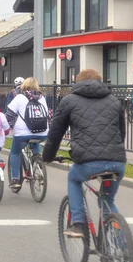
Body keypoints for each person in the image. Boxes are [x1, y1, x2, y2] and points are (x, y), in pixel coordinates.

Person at [43, 69, 126, 238]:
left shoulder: (69, 101)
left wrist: (48, 157)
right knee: (107, 200)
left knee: (73, 178)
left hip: (88, 163)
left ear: (77, 83)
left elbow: (55, 133)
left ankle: (78, 224)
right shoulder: (114, 101)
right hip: (117, 163)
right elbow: (121, 133)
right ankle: (121, 249)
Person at [5, 77, 49, 190]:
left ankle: (15, 179)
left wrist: (7, 127)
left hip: (22, 134)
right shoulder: (42, 98)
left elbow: (9, 115)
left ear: (24, 86)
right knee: (35, 142)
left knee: (15, 152)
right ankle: (37, 164)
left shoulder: (19, 97)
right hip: (43, 132)